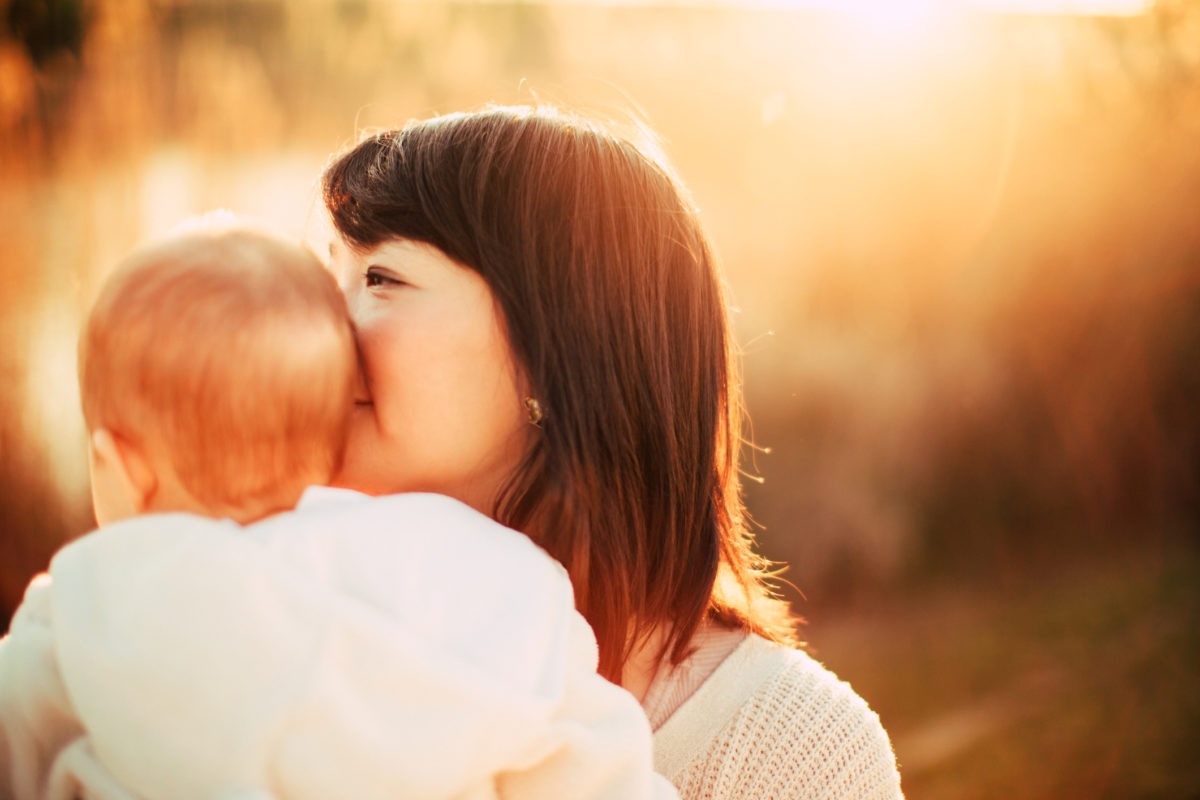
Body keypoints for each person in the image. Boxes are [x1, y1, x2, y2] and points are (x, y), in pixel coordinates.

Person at [321, 104, 905, 799]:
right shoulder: (284, 627)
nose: (316, 324)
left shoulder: (791, 754)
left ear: (556, 344)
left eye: (380, 278)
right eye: (328, 278)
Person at [0, 216, 677, 800]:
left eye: (380, 278)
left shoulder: (77, 616)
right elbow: (601, 767)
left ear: (118, 467)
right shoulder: (484, 578)